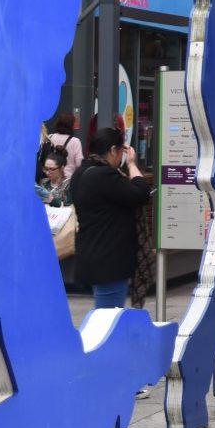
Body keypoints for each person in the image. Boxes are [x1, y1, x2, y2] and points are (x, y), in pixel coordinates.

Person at [70, 126, 151, 310]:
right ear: (113, 150)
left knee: (104, 312)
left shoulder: (80, 174)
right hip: (109, 260)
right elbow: (141, 193)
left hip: (91, 253)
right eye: (121, 152)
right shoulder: (104, 176)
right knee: (107, 316)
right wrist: (132, 165)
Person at [46, 112, 83, 180]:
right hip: (68, 178)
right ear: (71, 125)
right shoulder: (75, 141)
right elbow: (79, 163)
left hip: (50, 176)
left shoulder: (49, 137)